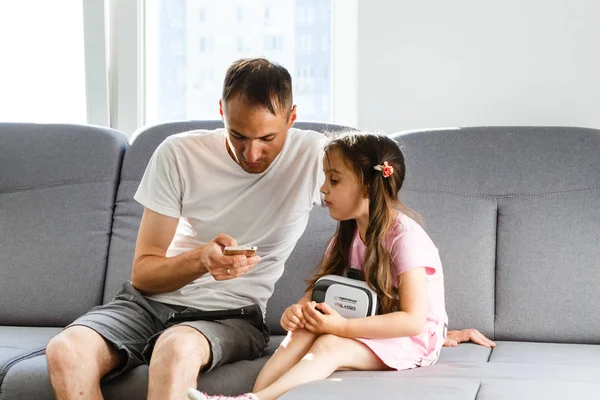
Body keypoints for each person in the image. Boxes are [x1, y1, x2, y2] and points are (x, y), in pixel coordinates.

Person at [45, 57, 492, 400]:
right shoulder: (177, 154)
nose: (253, 153)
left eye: (268, 139)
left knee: (176, 349)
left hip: (229, 315)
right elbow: (143, 273)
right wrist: (201, 260)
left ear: (292, 119)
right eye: (238, 135)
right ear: (220, 111)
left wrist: (428, 329)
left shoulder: (319, 157)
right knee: (66, 351)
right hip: (144, 303)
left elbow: (373, 192)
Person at [187, 132, 449, 400]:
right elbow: (321, 292)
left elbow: (413, 321)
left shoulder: (405, 238)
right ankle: (255, 396)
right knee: (304, 330)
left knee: (330, 344)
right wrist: (298, 311)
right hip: (364, 322)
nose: (323, 188)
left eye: (334, 180)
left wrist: (341, 329)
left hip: (411, 340)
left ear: (368, 187)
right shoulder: (344, 237)